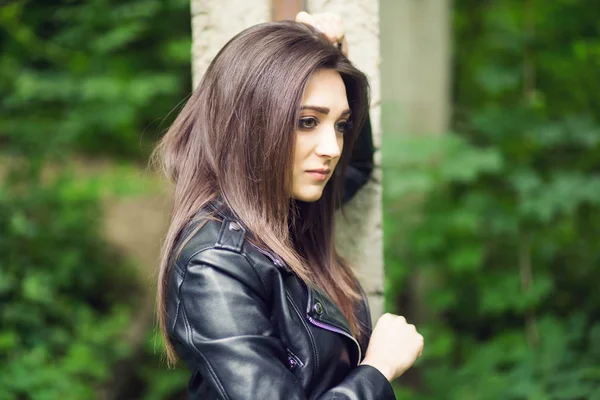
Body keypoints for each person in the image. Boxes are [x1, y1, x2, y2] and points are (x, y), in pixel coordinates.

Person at [153, 13, 424, 400]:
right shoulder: (214, 263)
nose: (332, 148)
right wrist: (378, 370)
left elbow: (357, 167)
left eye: (341, 125)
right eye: (308, 122)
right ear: (252, 122)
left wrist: (335, 57)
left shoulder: (283, 209)